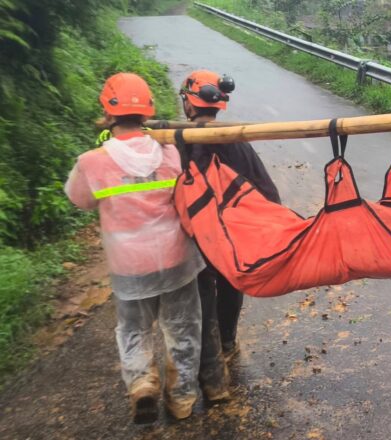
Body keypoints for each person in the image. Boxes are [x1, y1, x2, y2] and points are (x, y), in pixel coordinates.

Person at [64, 73, 204, 423]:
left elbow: (80, 201)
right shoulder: (169, 152)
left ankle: (142, 383)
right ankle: (182, 398)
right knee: (183, 327)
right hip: (176, 258)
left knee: (133, 329)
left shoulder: (91, 162)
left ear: (108, 113)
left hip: (129, 266)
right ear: (147, 112)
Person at [178, 70, 282, 400]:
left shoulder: (179, 141)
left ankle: (209, 360)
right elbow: (266, 189)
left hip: (201, 233)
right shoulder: (235, 139)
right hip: (234, 232)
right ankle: (226, 341)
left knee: (202, 285)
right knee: (230, 280)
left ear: (188, 104)